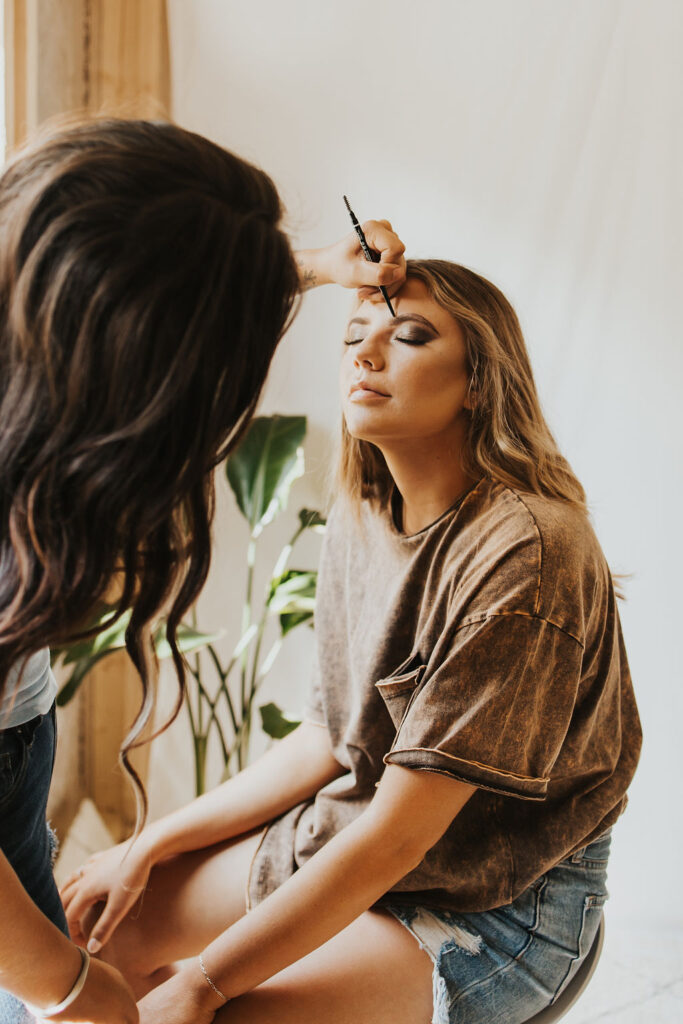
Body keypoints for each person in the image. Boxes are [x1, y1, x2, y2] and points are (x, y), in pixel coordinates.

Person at [62, 260, 642, 1024]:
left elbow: (398, 838)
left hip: (497, 913)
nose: (364, 356)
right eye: (352, 337)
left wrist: (204, 983)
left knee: (212, 1013)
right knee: (77, 945)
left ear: (478, 381)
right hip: (355, 836)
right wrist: (149, 844)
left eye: (408, 336)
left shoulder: (526, 553)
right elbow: (328, 739)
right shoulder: (362, 512)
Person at [0, 116, 406, 1024]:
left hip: (16, 730)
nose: (367, 353)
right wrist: (70, 992)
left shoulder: (27, 283)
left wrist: (304, 264)